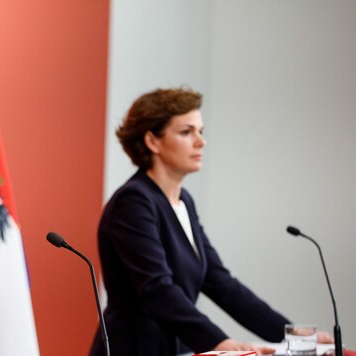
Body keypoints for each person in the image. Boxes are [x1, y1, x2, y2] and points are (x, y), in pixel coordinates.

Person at [89, 87, 332, 355]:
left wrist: (290, 333)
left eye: (200, 131)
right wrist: (219, 342)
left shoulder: (184, 202)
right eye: (186, 132)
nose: (200, 141)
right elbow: (157, 289)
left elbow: (220, 283)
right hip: (135, 348)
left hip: (175, 348)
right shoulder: (133, 202)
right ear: (152, 141)